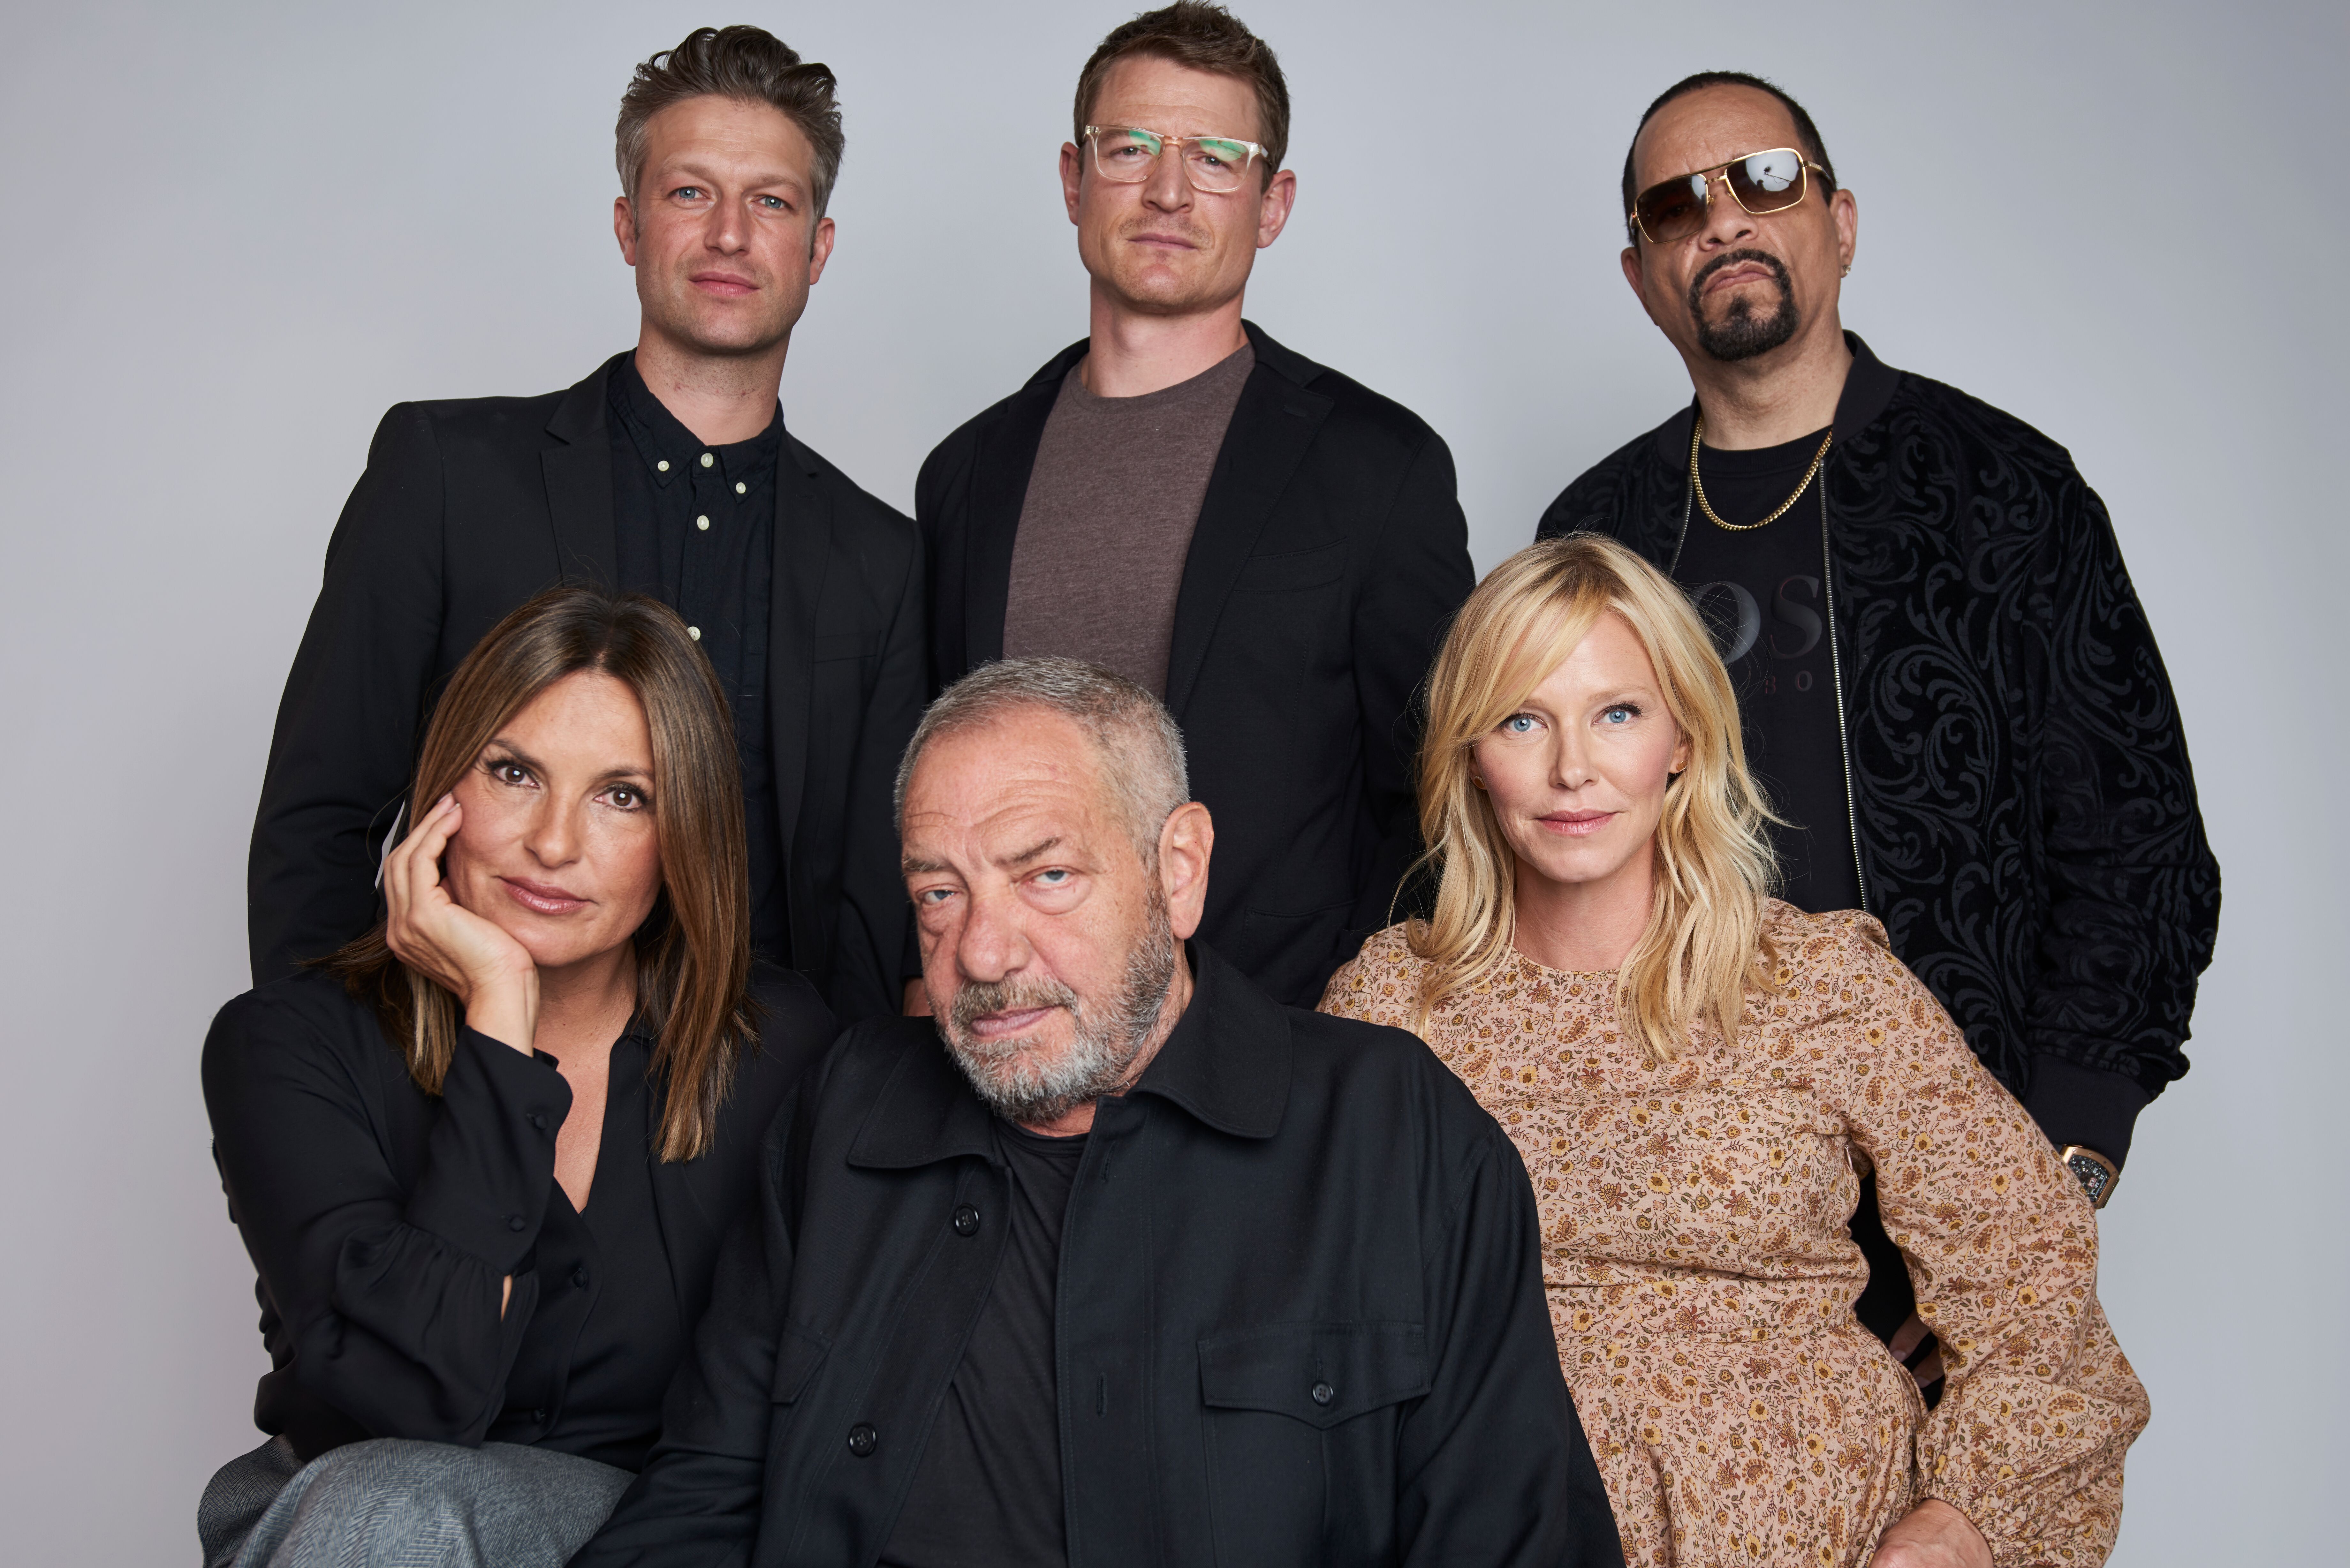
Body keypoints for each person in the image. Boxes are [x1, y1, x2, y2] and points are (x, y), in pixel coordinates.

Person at [575, 658, 1622, 1568]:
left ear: (1178, 870)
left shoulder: (1394, 1134)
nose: (983, 953)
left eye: (1049, 876)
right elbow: (702, 1499)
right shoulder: (848, 1105)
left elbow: (1510, 1537)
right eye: (939, 893)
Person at [1535, 70, 2218, 1375]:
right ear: (1639, 274)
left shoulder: (2007, 491)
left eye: (1766, 180)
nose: (1723, 219)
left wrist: (2041, 1188)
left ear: (1840, 220)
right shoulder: (1596, 530)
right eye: (1677, 205)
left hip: (1954, 1194)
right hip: (1675, 1210)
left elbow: (2140, 848)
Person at [1323, 535, 2148, 1568]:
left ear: (1681, 737)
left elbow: (2036, 1285)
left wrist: (1959, 1526)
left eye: (1617, 713)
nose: (1573, 766)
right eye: (1522, 720)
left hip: (1816, 1538)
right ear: (1471, 758)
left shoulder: (1822, 984)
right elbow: (1307, 1314)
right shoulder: (1393, 1004)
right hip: (1491, 1527)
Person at [248, 26, 923, 1025]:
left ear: (817, 247)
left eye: (771, 202)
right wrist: (324, 1094)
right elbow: (319, 820)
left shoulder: (884, 560)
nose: (730, 234)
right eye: (690, 191)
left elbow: (875, 918)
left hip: (768, 1127)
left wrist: (856, 1164)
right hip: (473, 1076)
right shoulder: (445, 475)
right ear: (629, 225)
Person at [200, 587, 838, 1568]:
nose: (554, 844)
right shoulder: (287, 1047)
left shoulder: (776, 1047)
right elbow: (417, 1403)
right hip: (352, 1524)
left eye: (624, 796)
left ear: (684, 838)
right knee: (393, 1510)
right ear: (443, 787)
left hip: (654, 1534)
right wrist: (502, 1006)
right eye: (514, 773)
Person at [915, 3, 1475, 1008]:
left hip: (1281, 1053)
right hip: (1011, 1044)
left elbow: (1440, 800)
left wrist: (1350, 1028)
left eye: (1218, 157)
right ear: (1074, 180)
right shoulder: (966, 472)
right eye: (1130, 148)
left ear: (1272, 204)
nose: (1169, 190)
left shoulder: (1378, 467)